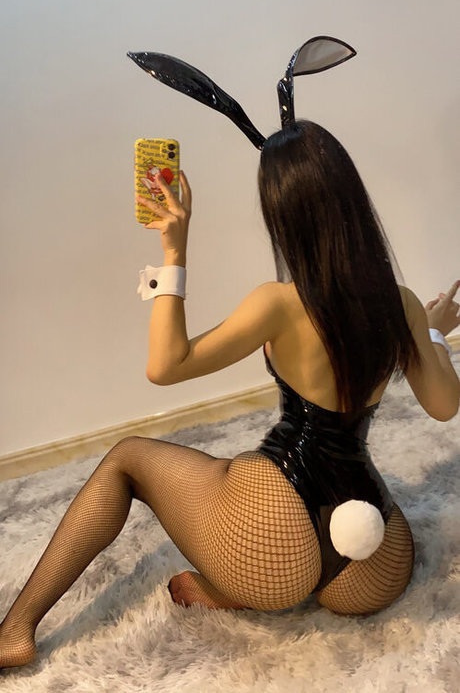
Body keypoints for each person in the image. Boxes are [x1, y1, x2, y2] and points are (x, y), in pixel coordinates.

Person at [1, 120, 459, 670]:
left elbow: (165, 366)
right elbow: (444, 406)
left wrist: (174, 251)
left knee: (126, 459)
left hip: (271, 535)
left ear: (280, 215)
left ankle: (16, 631)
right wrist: (433, 333)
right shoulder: (401, 303)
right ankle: (252, 587)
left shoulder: (277, 303)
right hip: (371, 561)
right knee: (319, 536)